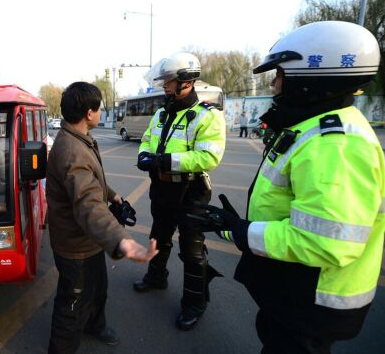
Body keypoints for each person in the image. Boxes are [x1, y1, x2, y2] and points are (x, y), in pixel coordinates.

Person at [199, 21, 385, 353]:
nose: (274, 85)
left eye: (281, 75)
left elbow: (324, 241)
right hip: (296, 290)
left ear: (308, 81)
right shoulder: (315, 126)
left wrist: (245, 233)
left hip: (312, 299)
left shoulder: (335, 143)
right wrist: (232, 228)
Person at [47, 82, 158, 353]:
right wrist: (123, 242)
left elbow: (92, 181)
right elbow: (88, 206)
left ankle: (94, 325)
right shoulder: (72, 152)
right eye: (98, 109)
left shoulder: (79, 139)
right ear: (89, 113)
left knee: (97, 291)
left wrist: (113, 195)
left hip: (90, 242)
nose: (100, 114)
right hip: (76, 248)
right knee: (71, 306)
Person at [134, 52, 227, 330]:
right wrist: (144, 155)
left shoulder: (207, 116)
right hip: (162, 188)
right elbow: (148, 139)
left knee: (192, 250)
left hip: (191, 191)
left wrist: (165, 161)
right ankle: (156, 277)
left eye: (169, 80)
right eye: (163, 80)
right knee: (159, 236)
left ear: (186, 81)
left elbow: (208, 157)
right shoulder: (162, 112)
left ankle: (194, 303)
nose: (164, 84)